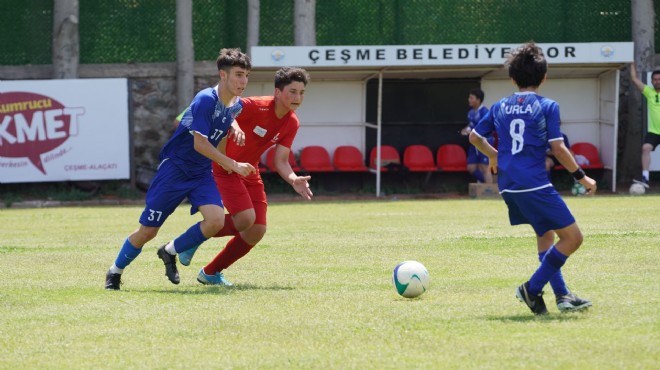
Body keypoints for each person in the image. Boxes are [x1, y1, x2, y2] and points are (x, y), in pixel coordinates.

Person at [104, 48, 256, 290]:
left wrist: (234, 126)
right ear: (223, 75)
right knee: (148, 230)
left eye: (247, 75)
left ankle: (170, 251)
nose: (244, 81)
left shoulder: (236, 105)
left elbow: (225, 118)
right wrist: (233, 165)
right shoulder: (205, 98)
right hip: (174, 170)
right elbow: (200, 143)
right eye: (238, 74)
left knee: (216, 220)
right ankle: (114, 271)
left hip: (200, 173)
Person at [469, 42, 596, 315]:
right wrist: (582, 177)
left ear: (513, 78)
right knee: (573, 238)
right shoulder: (547, 106)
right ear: (544, 77)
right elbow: (558, 148)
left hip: (509, 185)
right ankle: (531, 288)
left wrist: (493, 157)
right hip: (534, 183)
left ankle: (562, 295)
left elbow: (474, 137)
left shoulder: (500, 105)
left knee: (545, 235)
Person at [177, 67, 313, 286]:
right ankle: (192, 238)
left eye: (302, 92)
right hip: (225, 167)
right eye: (293, 91)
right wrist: (234, 124)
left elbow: (281, 161)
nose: (298, 97)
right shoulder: (255, 105)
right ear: (277, 92)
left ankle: (210, 272)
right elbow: (227, 106)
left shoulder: (292, 122)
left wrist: (293, 178)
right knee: (245, 219)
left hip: (249, 171)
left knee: (257, 229)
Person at [629, 63, 660, 189]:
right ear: (652, 81)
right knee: (646, 148)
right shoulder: (649, 92)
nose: (657, 81)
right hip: (654, 132)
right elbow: (634, 79)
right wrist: (631, 63)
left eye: (659, 79)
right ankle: (645, 178)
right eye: (655, 79)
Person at [461, 88, 494, 183]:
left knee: (484, 167)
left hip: (484, 142)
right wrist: (466, 130)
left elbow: (485, 129)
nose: (469, 99)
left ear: (478, 100)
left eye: (471, 98)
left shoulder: (485, 112)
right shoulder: (470, 113)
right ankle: (489, 186)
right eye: (469, 97)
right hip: (474, 143)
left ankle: (490, 191)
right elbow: (471, 126)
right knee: (471, 167)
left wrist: (471, 131)